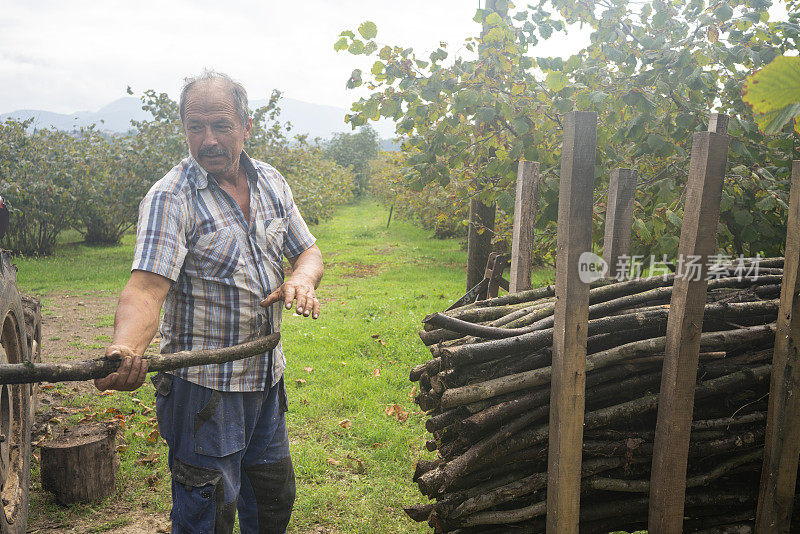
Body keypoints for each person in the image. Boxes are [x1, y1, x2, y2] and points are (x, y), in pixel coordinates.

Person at [94, 70, 323, 533]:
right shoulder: (171, 197)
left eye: (220, 125)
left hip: (264, 376)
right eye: (195, 127)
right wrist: (126, 349)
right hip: (204, 390)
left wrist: (302, 277)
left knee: (273, 501)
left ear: (246, 126)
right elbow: (145, 289)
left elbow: (308, 250)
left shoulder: (271, 182)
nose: (208, 140)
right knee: (207, 514)